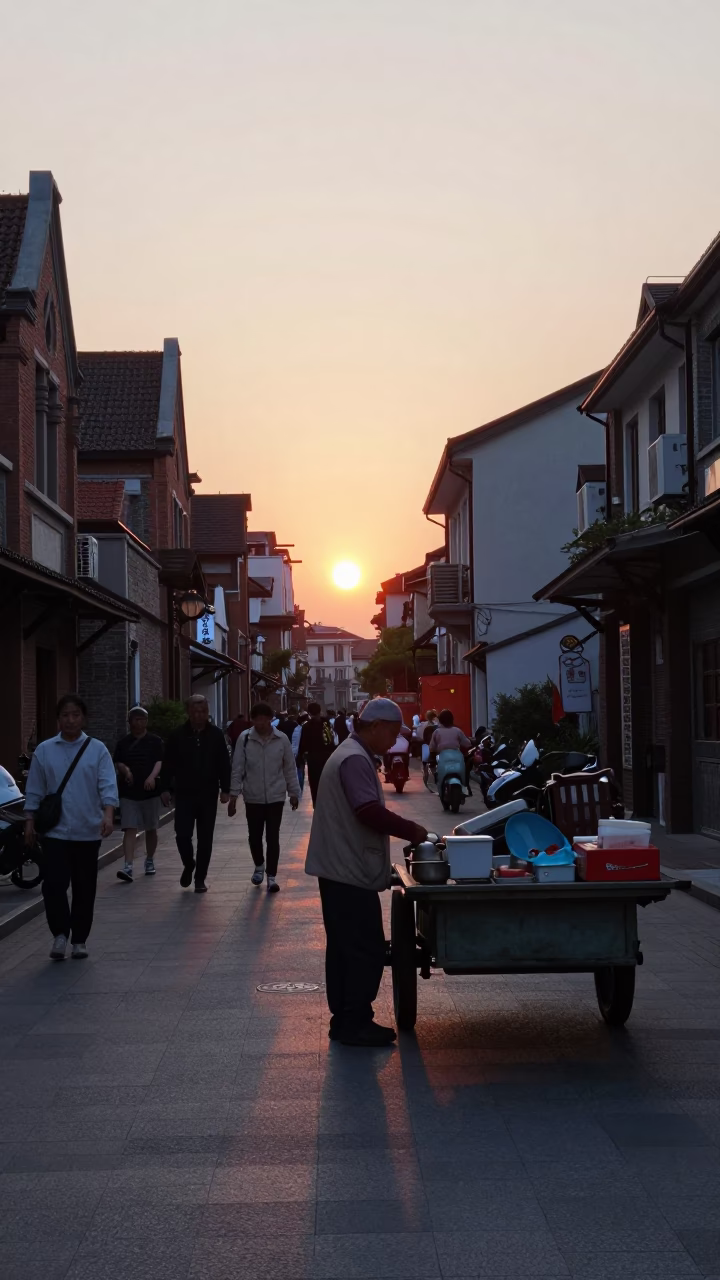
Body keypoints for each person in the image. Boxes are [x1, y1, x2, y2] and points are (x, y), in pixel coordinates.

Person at [305, 697, 428, 1047]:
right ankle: (355, 1020)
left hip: (340, 866)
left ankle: (345, 1019)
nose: (394, 741)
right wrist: (413, 830)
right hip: (347, 869)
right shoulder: (355, 759)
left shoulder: (350, 753)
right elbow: (368, 811)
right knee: (365, 947)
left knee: (345, 947)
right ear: (375, 726)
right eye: (392, 733)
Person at [24, 693, 117, 961]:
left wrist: (108, 815)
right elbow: (35, 789)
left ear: (84, 718)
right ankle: (60, 934)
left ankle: (79, 939)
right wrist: (29, 821)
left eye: (76, 715)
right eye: (65, 715)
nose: (71, 720)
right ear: (58, 719)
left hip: (87, 831)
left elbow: (107, 785)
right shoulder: (45, 750)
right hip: (55, 832)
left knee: (84, 887)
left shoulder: (97, 749)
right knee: (53, 885)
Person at [159, 694, 231, 893]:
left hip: (208, 793)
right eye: (195, 712)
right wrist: (164, 788)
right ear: (188, 713)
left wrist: (226, 789)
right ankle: (189, 863)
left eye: (203, 711)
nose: (199, 715)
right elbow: (168, 764)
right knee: (182, 834)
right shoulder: (178, 735)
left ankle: (200, 878)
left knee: (205, 838)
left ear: (207, 712)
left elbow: (224, 763)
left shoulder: (216, 734)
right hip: (184, 793)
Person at [228, 702, 300, 892]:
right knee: (254, 836)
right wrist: (233, 795)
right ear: (252, 720)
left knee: (272, 837)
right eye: (257, 720)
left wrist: (294, 793)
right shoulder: (245, 739)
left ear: (270, 719)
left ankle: (272, 876)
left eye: (264, 719)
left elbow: (289, 768)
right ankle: (259, 866)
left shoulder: (281, 739)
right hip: (253, 796)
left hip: (276, 796)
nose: (260, 723)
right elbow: (237, 768)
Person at [113, 707, 164, 882]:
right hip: (128, 792)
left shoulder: (155, 741)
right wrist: (126, 771)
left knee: (151, 827)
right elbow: (118, 762)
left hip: (150, 792)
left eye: (142, 719)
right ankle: (128, 865)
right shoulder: (123, 743)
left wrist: (152, 777)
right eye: (135, 719)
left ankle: (149, 860)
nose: (139, 723)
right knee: (129, 827)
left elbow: (159, 762)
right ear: (129, 722)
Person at [298, 702, 335, 808]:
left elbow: (303, 745)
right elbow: (332, 741)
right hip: (327, 758)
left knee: (315, 784)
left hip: (313, 760)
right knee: (328, 784)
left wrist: (300, 759)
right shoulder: (326, 723)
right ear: (320, 711)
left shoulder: (306, 726)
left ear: (309, 712)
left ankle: (317, 806)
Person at [291, 712, 308, 793]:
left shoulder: (297, 729)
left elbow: (294, 742)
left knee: (300, 770)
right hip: (301, 753)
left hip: (299, 753)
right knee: (300, 771)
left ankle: (300, 789)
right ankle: (300, 788)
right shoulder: (302, 728)